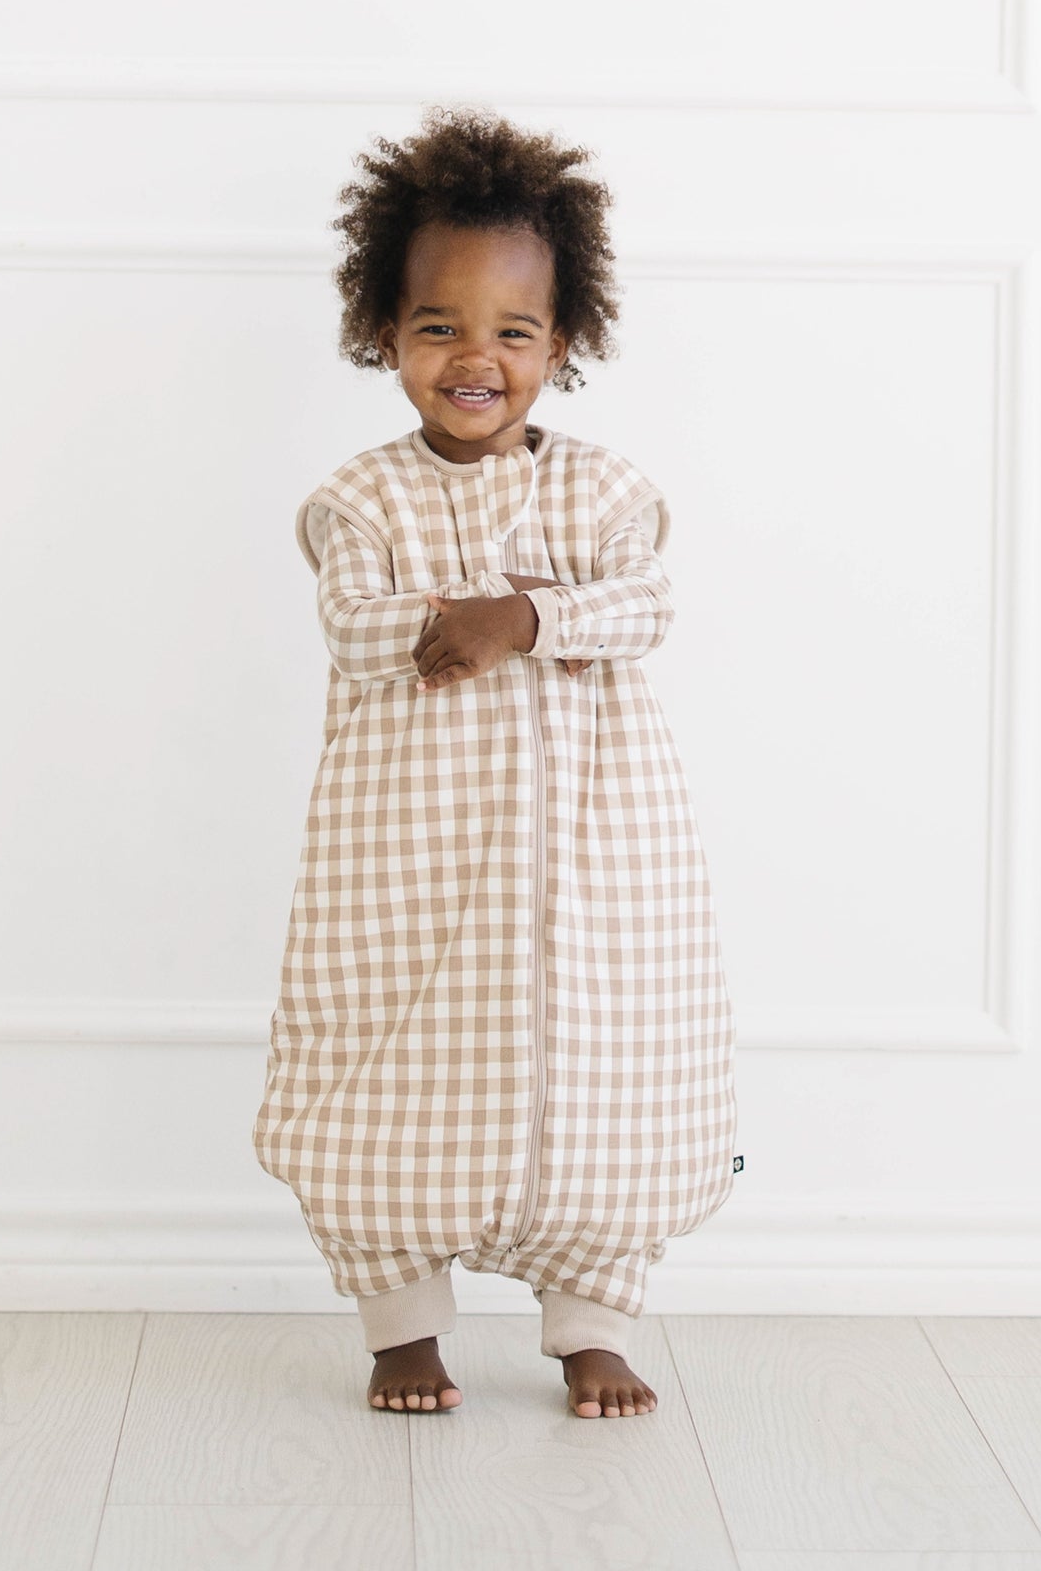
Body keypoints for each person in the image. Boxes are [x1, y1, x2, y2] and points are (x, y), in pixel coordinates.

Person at [252, 105, 738, 1420]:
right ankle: (401, 1330)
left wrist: (519, 616)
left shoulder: (604, 494)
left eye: (515, 332)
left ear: (563, 344)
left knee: (609, 1070)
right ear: (384, 336)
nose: (477, 358)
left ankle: (593, 1327)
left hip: (593, 850)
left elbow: (644, 604)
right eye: (439, 328)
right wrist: (466, 620)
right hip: (405, 846)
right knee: (383, 1064)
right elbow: (356, 624)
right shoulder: (363, 500)